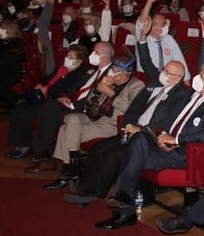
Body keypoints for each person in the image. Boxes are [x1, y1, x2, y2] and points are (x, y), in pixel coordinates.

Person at [96, 61, 204, 229]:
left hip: (182, 152)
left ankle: (125, 208)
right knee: (138, 139)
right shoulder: (193, 94)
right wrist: (159, 134)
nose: (195, 78)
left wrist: (176, 139)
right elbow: (171, 118)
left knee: (131, 155)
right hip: (163, 141)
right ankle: (124, 204)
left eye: (201, 76)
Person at [63, 60, 190, 205]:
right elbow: (135, 108)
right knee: (99, 147)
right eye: (164, 70)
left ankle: (92, 192)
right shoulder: (155, 85)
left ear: (177, 78)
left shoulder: (181, 95)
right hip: (133, 128)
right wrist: (128, 124)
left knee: (115, 154)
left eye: (168, 72)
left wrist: (141, 129)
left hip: (148, 135)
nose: (163, 74)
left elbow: (168, 121)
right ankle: (85, 186)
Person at [44, 56, 145, 190]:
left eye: (116, 70)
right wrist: (99, 87)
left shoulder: (137, 85)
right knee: (71, 118)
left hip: (111, 123)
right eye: (113, 69)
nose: (112, 72)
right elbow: (90, 101)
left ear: (125, 73)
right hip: (94, 117)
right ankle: (72, 169)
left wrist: (111, 93)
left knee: (65, 129)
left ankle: (68, 170)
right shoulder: (110, 81)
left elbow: (131, 109)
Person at [3, 44, 90, 159]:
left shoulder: (80, 75)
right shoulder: (61, 68)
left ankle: (30, 147)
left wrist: (47, 91)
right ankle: (20, 144)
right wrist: (41, 84)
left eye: (71, 57)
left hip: (52, 101)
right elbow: (47, 79)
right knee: (20, 108)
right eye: (67, 56)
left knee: (30, 111)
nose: (67, 59)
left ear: (79, 62)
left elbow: (68, 92)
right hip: (43, 97)